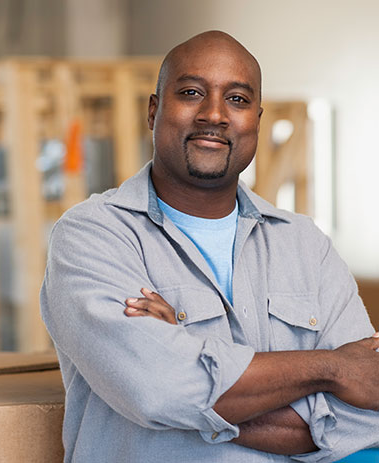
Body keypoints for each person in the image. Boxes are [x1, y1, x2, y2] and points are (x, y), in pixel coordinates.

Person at [40, 31, 379, 462]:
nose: (214, 114)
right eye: (191, 92)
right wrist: (331, 369)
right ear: (153, 110)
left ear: (256, 118)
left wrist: (187, 371)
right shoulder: (93, 235)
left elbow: (367, 408)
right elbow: (156, 389)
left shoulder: (305, 245)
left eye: (237, 100)